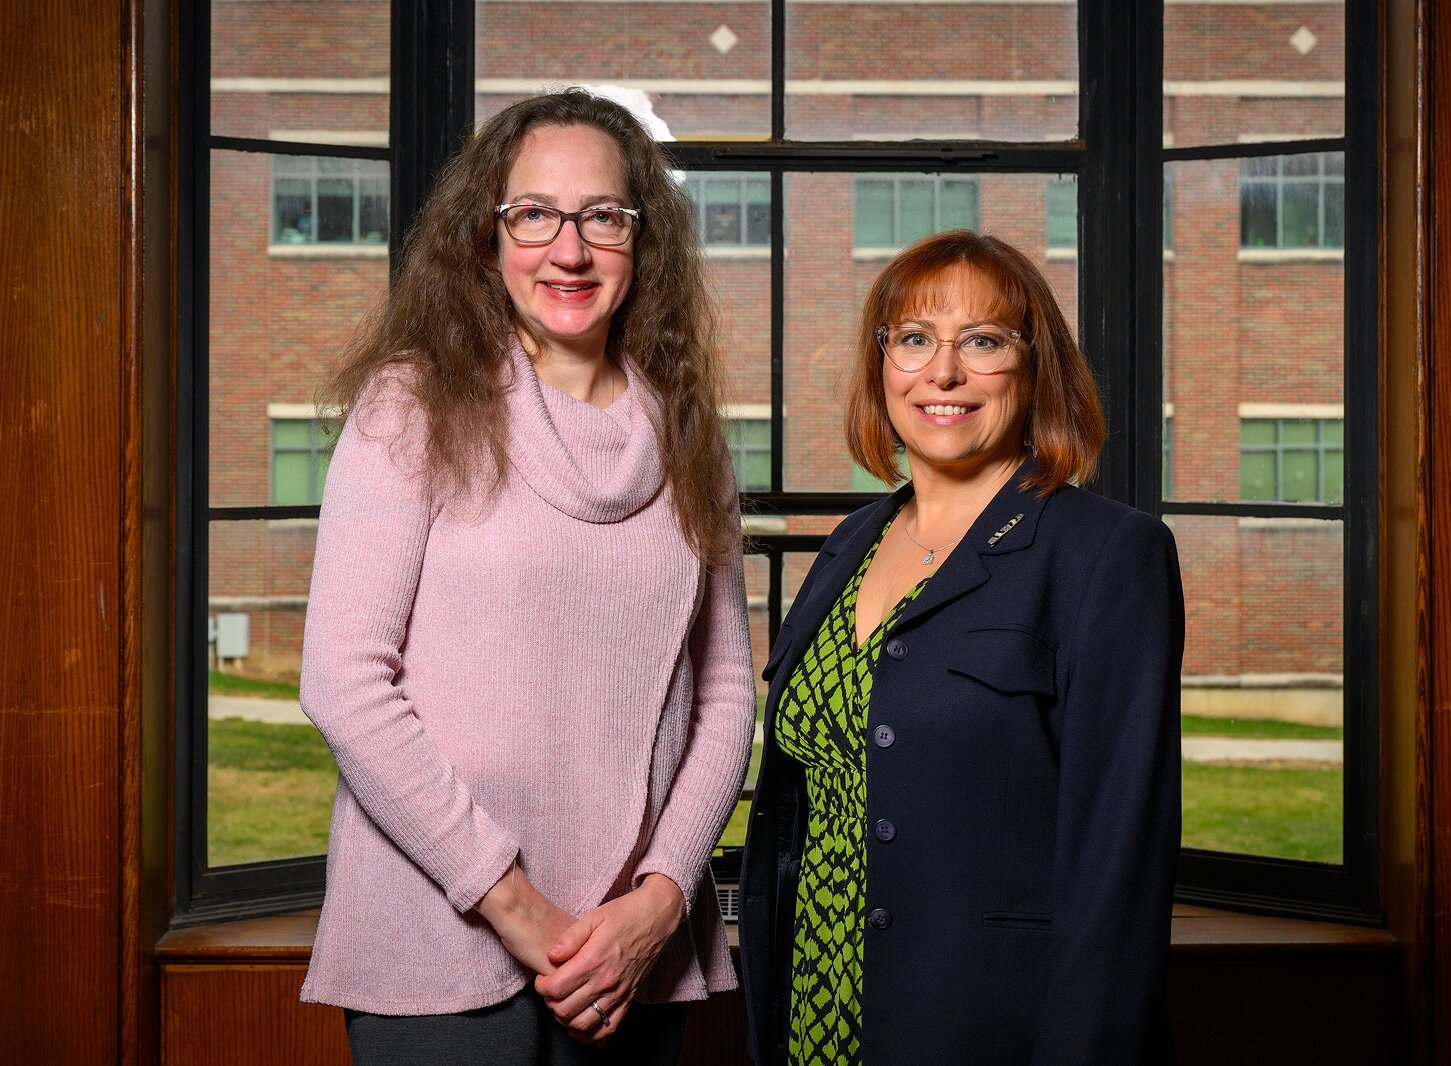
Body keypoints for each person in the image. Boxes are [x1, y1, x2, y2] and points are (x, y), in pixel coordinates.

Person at [297, 88, 755, 1066]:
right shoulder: (411, 407)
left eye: (603, 216)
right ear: (485, 236)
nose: (570, 249)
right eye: (533, 214)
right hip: (440, 942)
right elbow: (343, 683)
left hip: (632, 954)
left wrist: (661, 899)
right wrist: (516, 905)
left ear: (644, 240)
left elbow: (721, 698)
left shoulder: (688, 435)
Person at [739, 230, 1184, 1065]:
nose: (942, 374)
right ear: (884, 367)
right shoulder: (848, 546)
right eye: (913, 340)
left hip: (989, 1028)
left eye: (982, 341)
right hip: (816, 1014)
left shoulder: (1105, 554)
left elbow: (1119, 864)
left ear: (1034, 366)